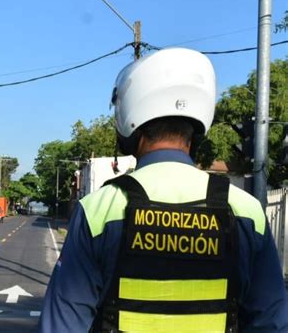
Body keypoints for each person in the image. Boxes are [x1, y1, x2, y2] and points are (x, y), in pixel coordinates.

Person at [39, 48, 288, 333]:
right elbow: (272, 322)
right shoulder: (246, 210)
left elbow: (62, 325)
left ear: (130, 120)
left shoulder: (99, 209)